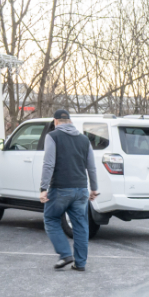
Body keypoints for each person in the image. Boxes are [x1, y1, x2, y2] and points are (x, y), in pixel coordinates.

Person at [40, 110, 98, 271]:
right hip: (81, 190)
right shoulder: (84, 139)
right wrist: (94, 188)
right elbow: (91, 167)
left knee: (51, 219)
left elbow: (48, 164)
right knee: (80, 225)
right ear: (70, 121)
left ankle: (65, 254)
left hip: (60, 188)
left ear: (55, 121)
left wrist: (43, 188)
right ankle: (80, 263)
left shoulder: (52, 136)